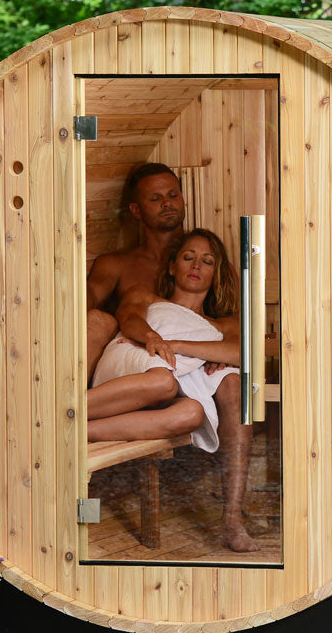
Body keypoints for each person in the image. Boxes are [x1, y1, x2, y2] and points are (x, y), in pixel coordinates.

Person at [87, 229, 260, 553]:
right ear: (172, 267)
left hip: (172, 376)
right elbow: (129, 317)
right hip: (133, 360)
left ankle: (80, 429)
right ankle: (58, 411)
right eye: (188, 257)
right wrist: (153, 338)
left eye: (207, 261)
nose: (196, 265)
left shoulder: (222, 324)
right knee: (163, 382)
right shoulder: (148, 296)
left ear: (216, 272)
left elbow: (247, 351)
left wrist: (179, 346)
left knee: (193, 412)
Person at [86, 162, 187, 380]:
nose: (167, 203)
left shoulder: (205, 260)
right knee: (97, 320)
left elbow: (236, 317)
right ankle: (67, 404)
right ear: (136, 211)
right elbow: (86, 301)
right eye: (155, 198)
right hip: (133, 355)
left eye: (172, 195)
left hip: (188, 355)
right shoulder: (116, 264)